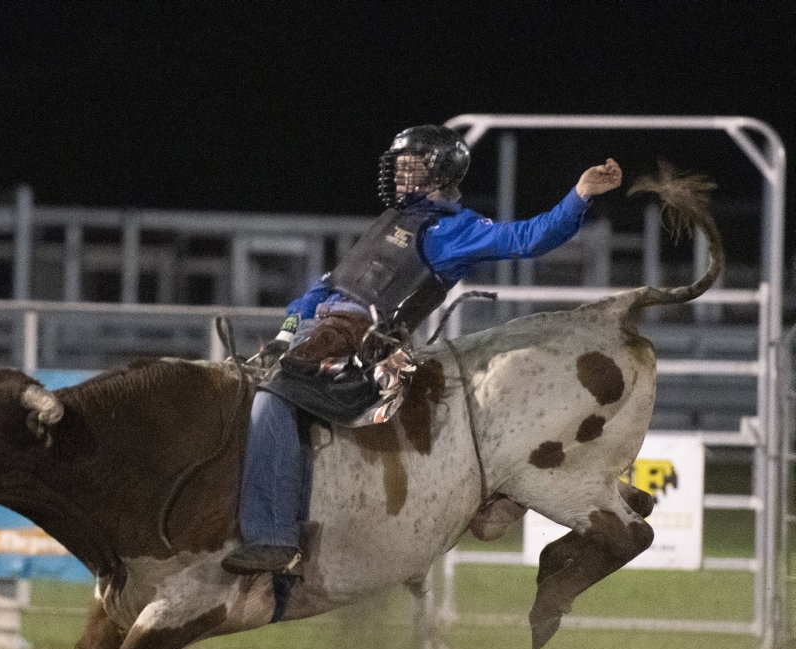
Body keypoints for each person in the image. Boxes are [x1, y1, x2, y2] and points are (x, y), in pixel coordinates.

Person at [222, 124, 623, 575]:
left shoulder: (455, 231)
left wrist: (579, 196)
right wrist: (284, 334)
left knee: (271, 401)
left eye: (408, 167)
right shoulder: (392, 220)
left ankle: (274, 536)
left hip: (361, 348)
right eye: (399, 166)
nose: (397, 174)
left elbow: (528, 238)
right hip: (314, 335)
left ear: (439, 173)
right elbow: (321, 291)